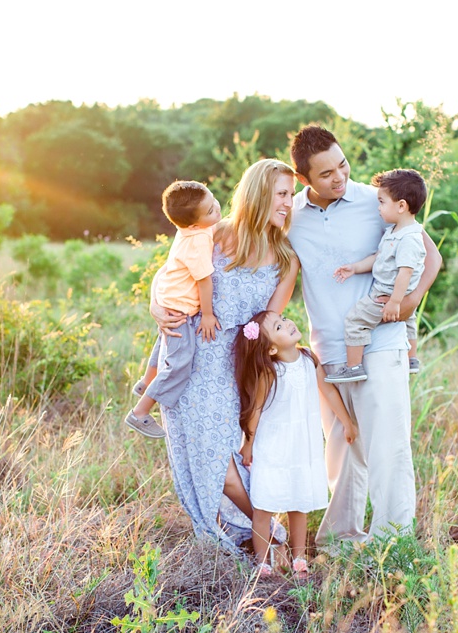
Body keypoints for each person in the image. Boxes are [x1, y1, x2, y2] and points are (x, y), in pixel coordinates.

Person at [287, 125, 442, 543]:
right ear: (303, 179)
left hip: (381, 344)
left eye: (342, 165)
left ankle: (393, 545)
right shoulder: (292, 217)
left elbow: (432, 255)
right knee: (341, 453)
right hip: (330, 351)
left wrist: (408, 305)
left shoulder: (377, 203)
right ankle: (341, 542)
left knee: (388, 450)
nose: (339, 178)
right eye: (326, 174)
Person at [149, 159, 301, 552]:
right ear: (258, 193)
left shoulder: (286, 258)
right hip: (187, 357)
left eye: (290, 194)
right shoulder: (213, 233)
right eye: (281, 194)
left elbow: (268, 323)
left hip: (232, 364)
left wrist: (244, 339)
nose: (288, 202)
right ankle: (269, 537)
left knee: (231, 458)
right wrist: (154, 305)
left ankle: (264, 534)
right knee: (212, 459)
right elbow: (171, 275)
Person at [234, 310, 357, 578]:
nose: (288, 323)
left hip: (302, 444)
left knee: (298, 502)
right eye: (279, 326)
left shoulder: (308, 360)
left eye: (284, 318)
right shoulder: (270, 372)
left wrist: (346, 421)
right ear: (272, 347)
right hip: (274, 445)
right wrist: (248, 444)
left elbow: (328, 391)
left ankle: (299, 557)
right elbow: (255, 411)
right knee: (264, 504)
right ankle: (263, 561)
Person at [124, 181, 222, 439]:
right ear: (193, 224)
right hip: (179, 311)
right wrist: (209, 315)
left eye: (214, 201)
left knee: (163, 343)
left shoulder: (188, 230)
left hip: (169, 300)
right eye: (211, 210)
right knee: (180, 361)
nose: (218, 209)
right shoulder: (199, 239)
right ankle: (141, 411)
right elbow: (204, 280)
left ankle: (146, 380)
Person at [326, 168, 427, 383]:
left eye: (382, 202)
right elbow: (378, 257)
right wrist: (355, 267)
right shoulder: (394, 232)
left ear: (401, 206)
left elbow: (405, 272)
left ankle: (353, 366)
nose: (378, 208)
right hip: (394, 297)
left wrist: (395, 302)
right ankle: (412, 359)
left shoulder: (409, 238)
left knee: (355, 321)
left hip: (386, 296)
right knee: (409, 321)